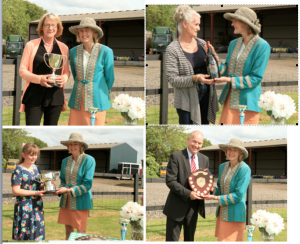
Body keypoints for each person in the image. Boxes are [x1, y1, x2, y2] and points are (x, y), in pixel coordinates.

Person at [211, 7, 270, 124]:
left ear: (245, 23)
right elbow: (227, 70)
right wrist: (214, 59)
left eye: (235, 21)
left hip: (248, 101)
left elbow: (256, 78)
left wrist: (228, 80)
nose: (232, 24)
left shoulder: (262, 46)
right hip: (230, 98)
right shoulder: (233, 43)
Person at [165, 5, 219, 125]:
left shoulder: (202, 43)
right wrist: (195, 78)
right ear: (185, 24)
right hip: (186, 100)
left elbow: (215, 68)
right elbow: (172, 80)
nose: (198, 28)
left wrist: (213, 58)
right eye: (196, 24)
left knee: (204, 125)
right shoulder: (172, 49)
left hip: (207, 95)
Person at [19, 13, 70, 126]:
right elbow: (22, 70)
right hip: (34, 95)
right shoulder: (31, 45)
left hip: (55, 97)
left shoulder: (64, 48)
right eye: (47, 25)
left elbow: (66, 71)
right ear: (42, 27)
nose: (50, 28)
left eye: (53, 25)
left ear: (58, 28)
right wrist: (39, 79)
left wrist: (64, 78)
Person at [163, 130, 209, 241]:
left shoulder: (205, 159)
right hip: (176, 207)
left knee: (190, 239)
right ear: (188, 140)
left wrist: (208, 191)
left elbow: (205, 181)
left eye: (199, 143)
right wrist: (189, 194)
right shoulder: (176, 156)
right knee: (172, 240)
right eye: (194, 142)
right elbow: (170, 181)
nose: (196, 145)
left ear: (202, 144)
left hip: (194, 208)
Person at [68, 18, 115, 125]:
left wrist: (104, 92)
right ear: (78, 33)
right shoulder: (73, 51)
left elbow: (110, 77)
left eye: (87, 30)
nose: (84, 33)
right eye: (81, 31)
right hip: (77, 98)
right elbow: (75, 74)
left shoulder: (106, 51)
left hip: (98, 97)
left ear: (94, 32)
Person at [203, 138, 251, 241]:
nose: (231, 152)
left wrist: (215, 198)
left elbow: (239, 195)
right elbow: (221, 190)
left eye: (234, 150)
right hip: (222, 212)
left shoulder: (244, 169)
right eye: (229, 149)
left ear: (240, 152)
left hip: (235, 214)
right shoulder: (222, 166)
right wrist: (210, 188)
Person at [55, 133, 96, 240]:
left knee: (80, 233)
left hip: (81, 200)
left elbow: (87, 184)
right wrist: (60, 189)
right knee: (68, 232)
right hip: (66, 201)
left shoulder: (89, 160)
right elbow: (63, 180)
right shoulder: (65, 161)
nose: (72, 146)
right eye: (70, 144)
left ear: (81, 146)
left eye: (75, 144)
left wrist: (68, 190)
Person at [11, 143, 46, 241]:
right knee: (25, 237)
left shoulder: (36, 168)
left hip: (37, 205)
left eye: (36, 155)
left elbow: (39, 185)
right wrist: (35, 193)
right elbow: (15, 191)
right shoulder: (18, 169)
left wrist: (47, 185)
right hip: (24, 207)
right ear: (23, 155)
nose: (34, 157)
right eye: (31, 155)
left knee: (37, 236)